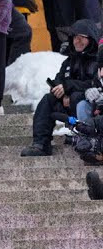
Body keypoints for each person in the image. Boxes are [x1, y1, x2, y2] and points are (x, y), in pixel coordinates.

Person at [22, 20, 98, 156]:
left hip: (89, 105)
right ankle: (41, 144)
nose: (77, 41)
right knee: (48, 99)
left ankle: (89, 142)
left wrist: (69, 88)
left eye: (81, 38)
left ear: (91, 39)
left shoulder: (98, 61)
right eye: (75, 38)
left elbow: (95, 84)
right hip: (68, 104)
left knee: (77, 98)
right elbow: (59, 80)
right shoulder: (69, 61)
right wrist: (61, 92)